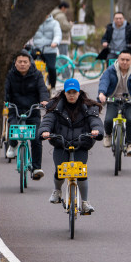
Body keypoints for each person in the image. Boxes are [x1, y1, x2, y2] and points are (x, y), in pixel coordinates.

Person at [39, 78, 104, 214]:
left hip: (81, 144)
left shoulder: (89, 107)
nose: (72, 95)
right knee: (60, 170)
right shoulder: (55, 107)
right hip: (61, 144)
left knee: (80, 172)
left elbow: (95, 121)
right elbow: (48, 121)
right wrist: (45, 131)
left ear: (79, 93)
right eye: (69, 92)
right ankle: (57, 191)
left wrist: (96, 130)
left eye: (75, 92)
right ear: (64, 93)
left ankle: (85, 202)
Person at [4, 50, 50, 179]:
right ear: (15, 63)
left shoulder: (37, 75)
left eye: (25, 62)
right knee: (13, 129)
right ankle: (12, 145)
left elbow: (42, 89)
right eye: (20, 62)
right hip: (15, 109)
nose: (22, 64)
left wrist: (44, 100)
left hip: (32, 110)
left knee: (36, 138)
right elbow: (5, 89)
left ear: (30, 63)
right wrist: (4, 100)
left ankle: (36, 168)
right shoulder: (10, 75)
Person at [97, 49, 131, 157]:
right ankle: (108, 135)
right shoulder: (111, 70)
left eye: (127, 60)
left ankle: (129, 144)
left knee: (130, 120)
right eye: (122, 59)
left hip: (130, 101)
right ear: (118, 60)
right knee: (109, 119)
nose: (124, 62)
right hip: (113, 99)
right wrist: (102, 93)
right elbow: (104, 81)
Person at [32, 13, 62, 90]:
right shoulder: (34, 22)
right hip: (37, 49)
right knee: (29, 66)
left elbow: (58, 34)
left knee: (51, 67)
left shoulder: (54, 23)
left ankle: (53, 87)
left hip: (50, 49)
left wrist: (55, 42)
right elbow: (27, 34)